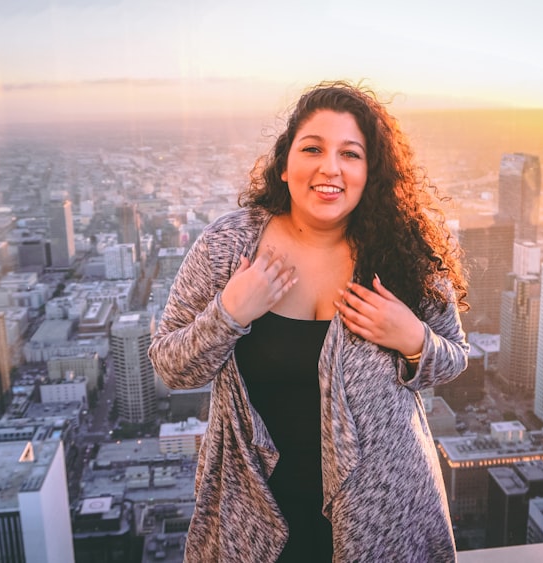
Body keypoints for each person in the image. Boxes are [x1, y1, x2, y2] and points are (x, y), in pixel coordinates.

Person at [148, 80, 469, 562]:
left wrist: (413, 339)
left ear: (371, 171)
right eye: (313, 148)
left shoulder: (403, 252)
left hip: (383, 513)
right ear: (284, 163)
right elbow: (171, 368)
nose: (330, 168)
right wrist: (229, 313)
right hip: (254, 510)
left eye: (351, 154)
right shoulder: (229, 247)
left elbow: (455, 358)